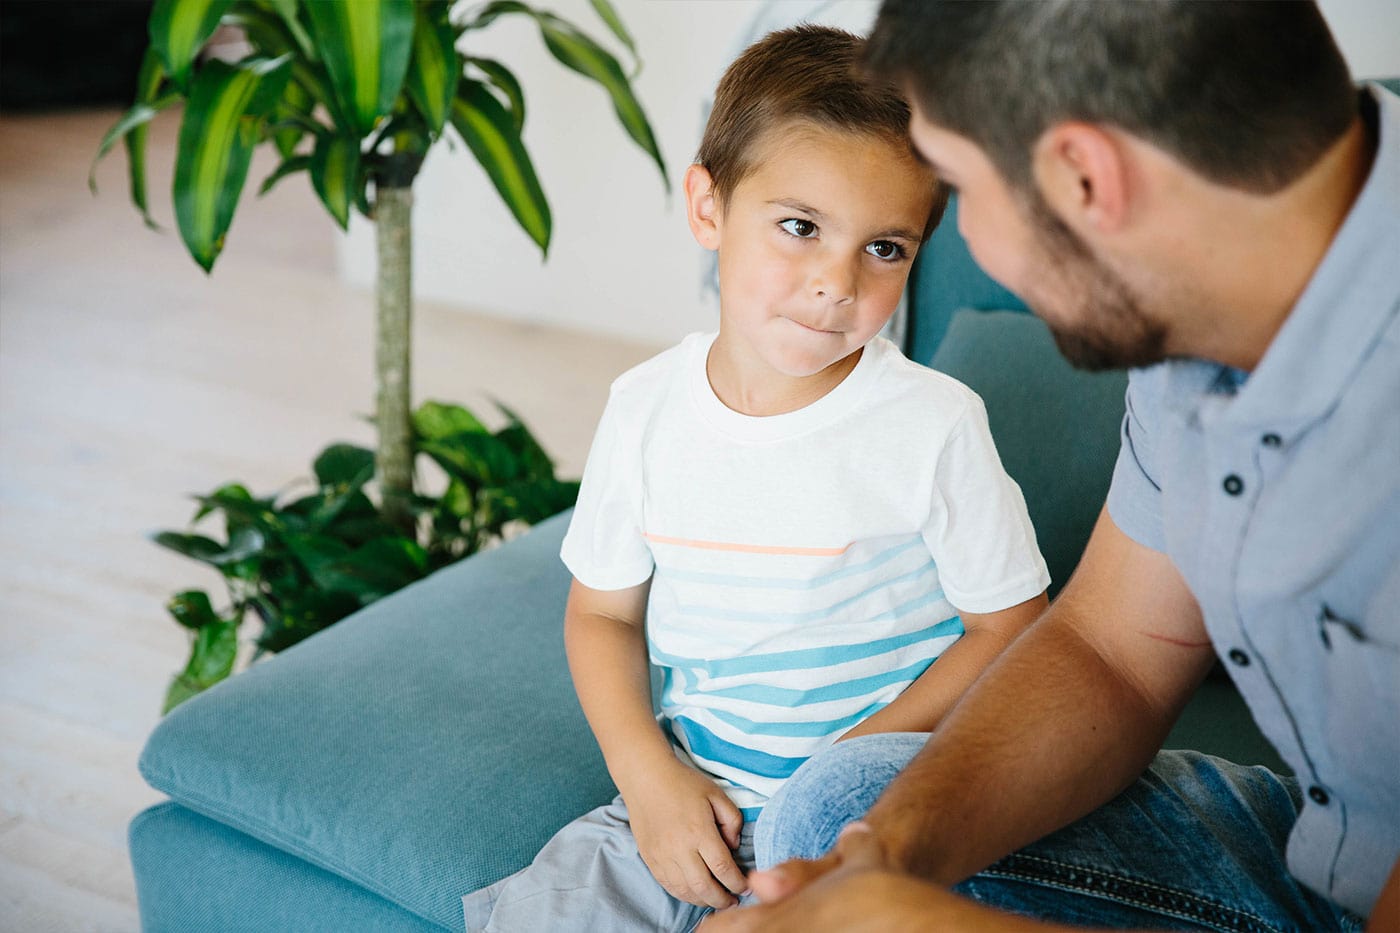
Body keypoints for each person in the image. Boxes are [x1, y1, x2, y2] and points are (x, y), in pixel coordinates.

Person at [701, 2, 1400, 931]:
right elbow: (1111, 652)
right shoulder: (1197, 303)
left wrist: (911, 921)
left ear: (1084, 176)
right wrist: (885, 857)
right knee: (838, 813)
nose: (965, 245)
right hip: (1330, 855)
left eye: (959, 187)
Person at [460, 23, 1051, 933]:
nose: (836, 282)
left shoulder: (933, 424)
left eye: (885, 248)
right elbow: (602, 612)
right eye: (801, 227)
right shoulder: (644, 408)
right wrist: (647, 774)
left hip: (878, 817)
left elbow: (1012, 628)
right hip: (695, 800)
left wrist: (841, 773)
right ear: (708, 208)